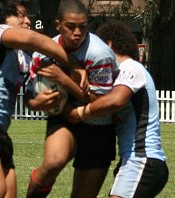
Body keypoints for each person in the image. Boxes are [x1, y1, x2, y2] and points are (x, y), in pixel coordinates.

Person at [0, 0, 85, 197]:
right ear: (3, 17)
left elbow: (29, 98)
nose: (28, 21)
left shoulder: (23, 58)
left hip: (0, 135)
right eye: (21, 15)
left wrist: (38, 102)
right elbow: (32, 39)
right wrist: (72, 63)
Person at [24, 0, 118, 197]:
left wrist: (64, 80)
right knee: (53, 162)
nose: (77, 33)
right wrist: (35, 103)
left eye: (83, 27)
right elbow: (29, 96)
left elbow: (102, 103)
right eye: (71, 26)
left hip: (98, 125)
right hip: (64, 118)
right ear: (58, 25)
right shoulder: (42, 53)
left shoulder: (99, 54)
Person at [67, 21, 169, 198]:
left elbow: (116, 100)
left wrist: (81, 113)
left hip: (142, 159)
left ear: (108, 45)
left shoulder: (130, 67)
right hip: (132, 160)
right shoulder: (116, 74)